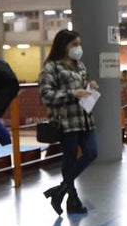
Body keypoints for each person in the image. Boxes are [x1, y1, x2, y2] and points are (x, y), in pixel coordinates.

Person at [38, 29, 98, 215]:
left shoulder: (79, 65)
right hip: (66, 122)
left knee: (91, 152)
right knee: (69, 160)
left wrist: (91, 86)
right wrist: (72, 94)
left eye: (78, 44)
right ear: (63, 45)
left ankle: (59, 191)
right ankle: (73, 201)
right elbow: (45, 94)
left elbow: (84, 85)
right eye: (74, 44)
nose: (78, 48)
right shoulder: (51, 67)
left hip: (85, 119)